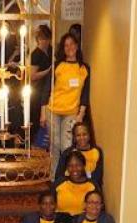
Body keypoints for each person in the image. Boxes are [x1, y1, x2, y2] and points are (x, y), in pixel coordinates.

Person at [44, 31, 89, 169]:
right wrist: (42, 112)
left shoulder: (84, 68)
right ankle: (54, 176)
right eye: (66, 45)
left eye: (72, 44)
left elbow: (85, 93)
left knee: (66, 146)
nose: (69, 48)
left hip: (71, 113)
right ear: (63, 49)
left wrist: (81, 114)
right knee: (55, 145)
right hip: (53, 111)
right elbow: (46, 90)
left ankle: (65, 174)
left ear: (77, 45)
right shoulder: (58, 65)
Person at [58, 121, 106, 190]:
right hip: (69, 188)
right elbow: (59, 175)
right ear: (74, 138)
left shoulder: (97, 152)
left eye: (84, 134)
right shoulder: (67, 153)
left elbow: (97, 177)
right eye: (78, 135)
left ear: (89, 136)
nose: (82, 138)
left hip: (89, 188)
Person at [54, 150, 96, 217]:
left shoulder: (92, 186)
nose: (74, 169)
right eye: (70, 166)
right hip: (61, 221)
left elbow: (98, 209)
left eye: (78, 165)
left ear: (84, 166)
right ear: (66, 167)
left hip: (82, 221)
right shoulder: (59, 182)